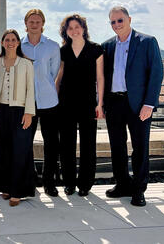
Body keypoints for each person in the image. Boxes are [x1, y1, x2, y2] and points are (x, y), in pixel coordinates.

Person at [102, 6, 163, 207]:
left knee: (140, 148)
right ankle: (122, 184)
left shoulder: (147, 42)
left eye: (120, 20)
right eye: (113, 22)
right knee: (117, 147)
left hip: (138, 105)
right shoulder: (107, 46)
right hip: (114, 104)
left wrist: (149, 104)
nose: (116, 25)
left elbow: (156, 73)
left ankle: (138, 190)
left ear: (129, 19)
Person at [56, 14, 105, 197]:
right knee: (66, 145)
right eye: (70, 28)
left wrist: (100, 103)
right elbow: (59, 78)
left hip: (88, 103)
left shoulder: (96, 50)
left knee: (88, 144)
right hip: (66, 103)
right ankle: (68, 182)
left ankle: (85, 184)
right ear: (66, 32)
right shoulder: (63, 51)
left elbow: (100, 78)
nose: (74, 30)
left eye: (77, 27)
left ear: (84, 28)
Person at [20, 9, 62, 197]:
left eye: (38, 21)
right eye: (31, 21)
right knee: (25, 142)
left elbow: (53, 73)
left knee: (51, 143)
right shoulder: (19, 46)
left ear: (43, 23)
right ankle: (29, 179)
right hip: (26, 102)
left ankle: (49, 181)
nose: (34, 24)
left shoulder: (52, 46)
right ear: (26, 23)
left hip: (48, 101)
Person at [0, 29, 36, 207]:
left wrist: (29, 112)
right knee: (3, 150)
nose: (10, 42)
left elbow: (31, 89)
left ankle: (18, 191)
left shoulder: (26, 64)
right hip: (0, 110)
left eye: (13, 39)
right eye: (7, 40)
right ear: (2, 43)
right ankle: (6, 187)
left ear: (18, 43)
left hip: (20, 111)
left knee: (20, 150)